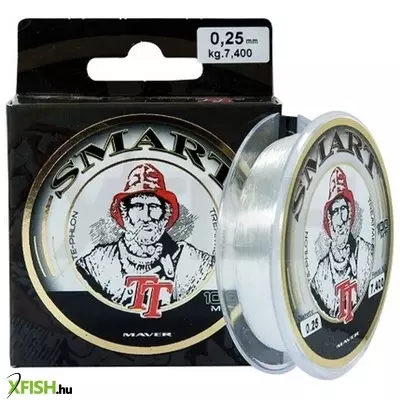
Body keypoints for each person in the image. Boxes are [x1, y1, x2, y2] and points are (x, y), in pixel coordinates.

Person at [76, 163, 214, 308]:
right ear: (125, 213)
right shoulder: (98, 262)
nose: (146, 217)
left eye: (153, 206)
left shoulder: (193, 262)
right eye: (138, 206)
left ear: (165, 214)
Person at [310, 167, 373, 318]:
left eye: (343, 209)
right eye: (335, 211)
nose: (341, 219)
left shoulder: (367, 253)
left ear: (350, 213)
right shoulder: (321, 275)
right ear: (330, 220)